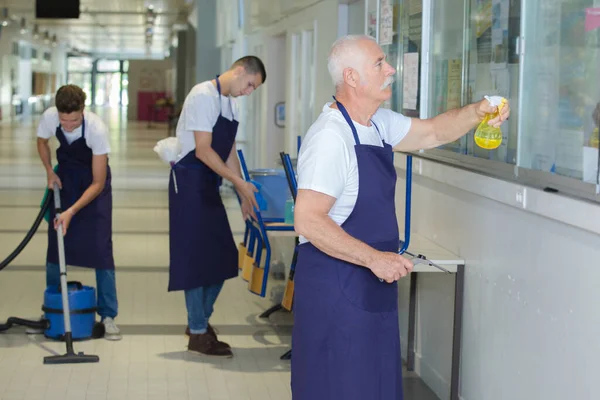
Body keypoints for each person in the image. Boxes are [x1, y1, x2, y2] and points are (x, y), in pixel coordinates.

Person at [291, 35, 510, 399]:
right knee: (337, 387)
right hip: (337, 289)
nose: (391, 69)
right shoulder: (331, 138)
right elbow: (309, 221)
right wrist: (374, 258)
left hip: (371, 288)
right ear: (352, 77)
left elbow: (436, 131)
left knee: (374, 388)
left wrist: (479, 111)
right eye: (379, 63)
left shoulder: (376, 123)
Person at [169, 56, 266, 357]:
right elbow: (203, 150)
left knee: (224, 257)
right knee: (196, 261)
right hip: (188, 184)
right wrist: (237, 184)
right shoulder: (202, 95)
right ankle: (198, 331)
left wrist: (243, 197)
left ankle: (198, 322)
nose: (249, 91)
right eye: (250, 84)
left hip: (207, 185)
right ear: (239, 72)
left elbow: (228, 153)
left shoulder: (230, 103)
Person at [36, 84, 121, 341]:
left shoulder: (96, 129)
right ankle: (54, 307)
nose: (69, 126)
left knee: (101, 249)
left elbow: (97, 182)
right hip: (66, 180)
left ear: (83, 111)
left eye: (74, 120)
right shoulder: (50, 117)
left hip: (94, 188)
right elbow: (41, 142)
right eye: (64, 120)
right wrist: (50, 171)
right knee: (56, 246)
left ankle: (108, 316)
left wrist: (71, 211)